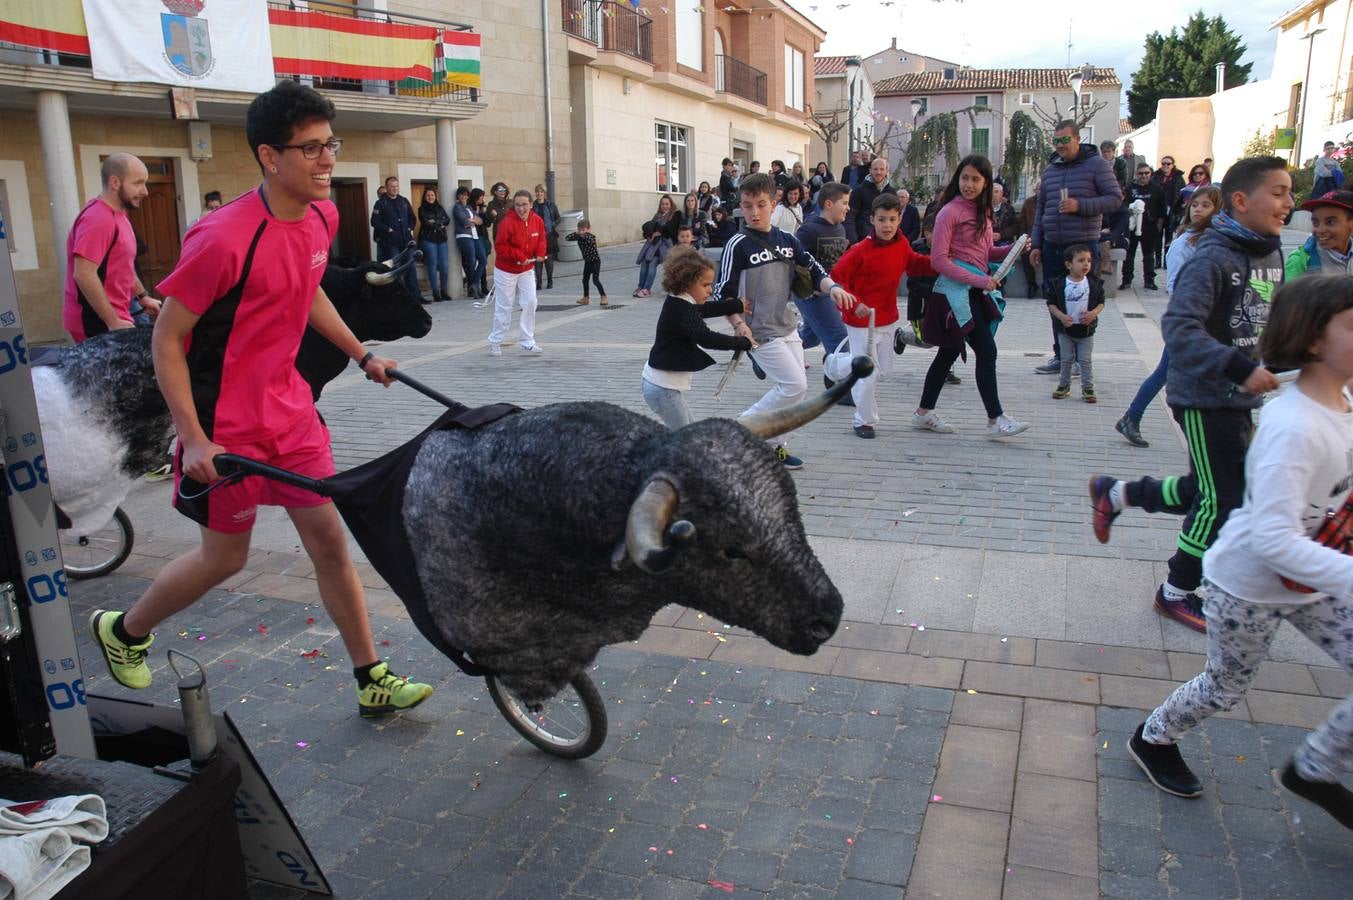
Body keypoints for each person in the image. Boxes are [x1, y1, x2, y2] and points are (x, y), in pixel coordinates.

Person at [85, 80, 433, 717]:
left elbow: (310, 292)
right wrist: (191, 437)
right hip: (226, 429)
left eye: (332, 144)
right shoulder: (221, 238)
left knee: (329, 541)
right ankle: (124, 629)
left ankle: (370, 678)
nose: (328, 160)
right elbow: (166, 340)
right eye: (312, 149)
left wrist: (362, 353)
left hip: (293, 414)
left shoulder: (320, 217)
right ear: (271, 157)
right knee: (226, 558)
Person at [1126, 274, 1353, 830]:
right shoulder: (1292, 425)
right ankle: (1152, 738)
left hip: (1315, 578)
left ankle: (1315, 769)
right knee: (1225, 687)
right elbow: (1273, 540)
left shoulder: (1344, 399)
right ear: (1316, 339)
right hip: (1246, 584)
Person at [1090, 156, 1292, 633]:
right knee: (1221, 500)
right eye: (1279, 192)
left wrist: (1280, 362)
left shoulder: (1272, 251)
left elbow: (1265, 324)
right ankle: (1176, 591)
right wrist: (1239, 367)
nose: (1289, 202)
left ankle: (1117, 493)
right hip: (1202, 395)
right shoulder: (1214, 256)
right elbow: (1179, 327)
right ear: (1241, 201)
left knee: (1211, 489)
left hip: (1240, 395)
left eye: (1289, 192)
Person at [715, 172, 857, 469]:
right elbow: (722, 293)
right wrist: (739, 326)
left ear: (773, 202)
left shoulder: (787, 240)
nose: (754, 212)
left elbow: (814, 269)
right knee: (792, 385)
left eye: (761, 205)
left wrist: (834, 290)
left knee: (799, 388)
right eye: (747, 205)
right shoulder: (737, 244)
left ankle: (773, 446)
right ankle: (736, 431)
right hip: (757, 330)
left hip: (786, 325)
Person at [912, 155, 1028, 439]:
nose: (969, 184)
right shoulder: (948, 212)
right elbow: (938, 260)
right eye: (965, 177)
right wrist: (981, 280)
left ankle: (924, 412)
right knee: (986, 350)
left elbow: (984, 252)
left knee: (948, 352)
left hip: (973, 291)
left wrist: (1014, 248)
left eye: (976, 179)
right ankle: (996, 418)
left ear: (986, 182)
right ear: (957, 178)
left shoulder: (983, 212)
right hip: (953, 294)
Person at [1115, 185, 1223, 448]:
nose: (1198, 210)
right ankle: (1133, 416)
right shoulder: (1184, 242)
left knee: (1176, 372)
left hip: (1208, 321)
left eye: (1205, 205)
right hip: (1189, 319)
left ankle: (1133, 417)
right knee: (1168, 371)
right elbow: (1175, 284)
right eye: (1195, 205)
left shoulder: (1217, 240)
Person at [830, 192, 936, 438]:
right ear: (872, 220)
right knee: (869, 373)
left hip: (887, 318)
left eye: (892, 219)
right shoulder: (860, 250)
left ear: (900, 219)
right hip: (859, 322)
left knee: (884, 370)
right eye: (881, 219)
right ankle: (863, 421)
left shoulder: (902, 245)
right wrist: (853, 303)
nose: (887, 225)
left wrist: (940, 264)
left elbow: (914, 263)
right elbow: (837, 278)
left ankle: (837, 364)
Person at [1030, 120, 1121, 374]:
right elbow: (1041, 210)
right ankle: (1061, 357)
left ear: (1077, 139)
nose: (1060, 146)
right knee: (1056, 302)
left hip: (1081, 246)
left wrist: (1079, 205)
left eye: (1064, 140)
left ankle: (1082, 359)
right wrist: (1036, 243)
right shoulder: (1050, 170)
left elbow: (1115, 199)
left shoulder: (1097, 165)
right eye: (1056, 141)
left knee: (1082, 303)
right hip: (1052, 246)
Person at [641, 246, 754, 429]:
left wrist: (736, 305)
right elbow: (706, 338)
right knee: (686, 440)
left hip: (662, 386)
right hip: (662, 388)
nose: (710, 290)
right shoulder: (682, 309)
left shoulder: (680, 301)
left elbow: (704, 310)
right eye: (705, 285)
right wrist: (742, 343)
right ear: (686, 283)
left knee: (689, 434)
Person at [63, 152, 159, 342]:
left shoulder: (120, 215)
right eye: (138, 183)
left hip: (115, 319)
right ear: (115, 183)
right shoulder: (98, 219)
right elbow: (84, 274)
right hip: (96, 324)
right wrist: (112, 321)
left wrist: (142, 296)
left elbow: (124, 265)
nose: (145, 191)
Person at [794, 181, 852, 367]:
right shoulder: (809, 230)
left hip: (831, 292)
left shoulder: (840, 228)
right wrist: (809, 289)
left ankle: (775, 351)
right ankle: (843, 389)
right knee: (840, 340)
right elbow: (792, 262)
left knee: (811, 338)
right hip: (813, 295)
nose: (847, 208)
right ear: (828, 204)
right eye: (844, 203)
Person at [487, 189, 547, 356]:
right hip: (506, 270)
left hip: (526, 269)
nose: (521, 208)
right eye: (518, 205)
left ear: (531, 204)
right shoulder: (507, 222)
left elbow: (541, 238)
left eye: (525, 205)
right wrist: (519, 257)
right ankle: (495, 341)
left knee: (530, 302)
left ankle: (527, 341)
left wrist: (540, 253)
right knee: (504, 305)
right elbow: (500, 246)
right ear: (514, 205)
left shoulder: (537, 220)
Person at [1046, 245, 1104, 403]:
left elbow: (1101, 302)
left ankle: (1088, 388)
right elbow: (1051, 304)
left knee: (1085, 360)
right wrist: (1062, 317)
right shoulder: (1059, 283)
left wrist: (1093, 314)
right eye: (1081, 261)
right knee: (1066, 359)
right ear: (1069, 265)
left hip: (1086, 330)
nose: (1086, 264)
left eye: (1089, 261)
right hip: (1065, 330)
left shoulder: (1094, 283)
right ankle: (1064, 386)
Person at [370, 176, 423, 302]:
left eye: (396, 186)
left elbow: (412, 218)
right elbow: (374, 221)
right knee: (394, 270)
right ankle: (397, 298)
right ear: (387, 187)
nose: (394, 189)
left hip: (406, 242)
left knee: (410, 268)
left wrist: (410, 228)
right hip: (390, 242)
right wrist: (388, 229)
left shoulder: (403, 201)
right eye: (392, 186)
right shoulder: (381, 203)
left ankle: (416, 296)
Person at [1286, 190, 1353, 278]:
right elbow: (1286, 291)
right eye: (1315, 223)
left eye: (1330, 222)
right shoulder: (1300, 262)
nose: (1320, 230)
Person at [1122, 163, 1167, 291]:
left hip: (1149, 226)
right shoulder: (1130, 188)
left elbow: (1162, 210)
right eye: (1141, 173)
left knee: (1148, 255)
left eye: (1146, 173)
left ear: (1150, 174)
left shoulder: (1157, 189)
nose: (1144, 176)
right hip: (1132, 226)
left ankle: (1149, 280)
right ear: (1137, 174)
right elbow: (1123, 205)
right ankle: (1126, 280)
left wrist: (1158, 226)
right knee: (1129, 254)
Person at [635, 194, 678, 297]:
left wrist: (659, 232)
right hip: (653, 245)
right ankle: (640, 286)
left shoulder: (674, 215)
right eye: (662, 204)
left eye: (667, 204)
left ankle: (647, 289)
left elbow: (670, 230)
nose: (665, 206)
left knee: (652, 263)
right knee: (645, 263)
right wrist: (648, 235)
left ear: (671, 204)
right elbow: (649, 228)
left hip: (664, 247)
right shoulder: (657, 215)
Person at [846, 157, 896, 244]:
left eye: (882, 169)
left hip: (886, 242)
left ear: (887, 171)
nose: (878, 172)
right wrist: (854, 241)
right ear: (870, 170)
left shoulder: (892, 192)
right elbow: (850, 217)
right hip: (863, 241)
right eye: (875, 169)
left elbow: (896, 218)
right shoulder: (859, 191)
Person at [451, 186, 487, 300]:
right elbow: (464, 222)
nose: (463, 196)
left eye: (465, 194)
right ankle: (474, 288)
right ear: (458, 196)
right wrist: (472, 220)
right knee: (471, 261)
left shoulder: (469, 208)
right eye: (461, 194)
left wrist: (473, 220)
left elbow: (480, 221)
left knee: (483, 259)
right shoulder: (457, 207)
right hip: (464, 236)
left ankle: (474, 284)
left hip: (474, 235)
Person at [417, 186, 450, 303]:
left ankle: (444, 291)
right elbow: (426, 223)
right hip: (428, 239)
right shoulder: (422, 209)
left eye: (432, 195)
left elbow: (447, 220)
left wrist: (436, 221)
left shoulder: (440, 207)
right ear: (425, 197)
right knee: (432, 265)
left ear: (435, 196)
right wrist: (439, 222)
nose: (430, 197)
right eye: (428, 195)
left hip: (441, 239)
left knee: (444, 266)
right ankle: (435, 292)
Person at [567, 218, 607, 306]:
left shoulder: (591, 237)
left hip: (595, 261)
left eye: (583, 230)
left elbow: (588, 240)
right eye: (579, 229)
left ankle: (603, 296)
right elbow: (567, 238)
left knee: (595, 280)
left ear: (588, 229)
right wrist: (576, 233)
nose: (581, 232)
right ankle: (586, 298)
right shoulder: (578, 236)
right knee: (585, 280)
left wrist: (582, 235)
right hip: (587, 262)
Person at [1154, 156, 1185, 263]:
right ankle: (1157, 260)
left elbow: (1182, 194)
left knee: (1169, 236)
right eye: (1163, 163)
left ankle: (1166, 260)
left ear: (1173, 164)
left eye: (1168, 163)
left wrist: (1180, 211)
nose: (1165, 166)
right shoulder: (1156, 176)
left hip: (1172, 210)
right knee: (1157, 236)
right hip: (1159, 210)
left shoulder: (1178, 177)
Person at [531, 184, 560, 291]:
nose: (539, 193)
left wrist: (552, 225)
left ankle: (550, 281)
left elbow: (558, 218)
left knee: (549, 260)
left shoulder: (551, 205)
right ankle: (538, 283)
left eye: (541, 191)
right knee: (538, 261)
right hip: (536, 237)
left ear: (544, 193)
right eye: (537, 191)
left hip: (549, 235)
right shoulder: (532, 207)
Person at [470, 187, 494, 296]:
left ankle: (482, 287)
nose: (482, 199)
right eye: (480, 197)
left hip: (483, 236)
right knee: (480, 261)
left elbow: (487, 223)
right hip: (475, 237)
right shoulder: (469, 208)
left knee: (483, 261)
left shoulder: (481, 208)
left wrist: (484, 213)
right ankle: (475, 285)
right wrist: (477, 218)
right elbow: (475, 222)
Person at [1018, 181, 1040, 299]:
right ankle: (1031, 284)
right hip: (1031, 237)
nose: (1040, 191)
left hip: (1047, 238)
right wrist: (1023, 238)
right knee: (1025, 252)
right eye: (1038, 189)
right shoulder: (1028, 203)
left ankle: (1049, 285)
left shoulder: (1051, 202)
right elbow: (1022, 222)